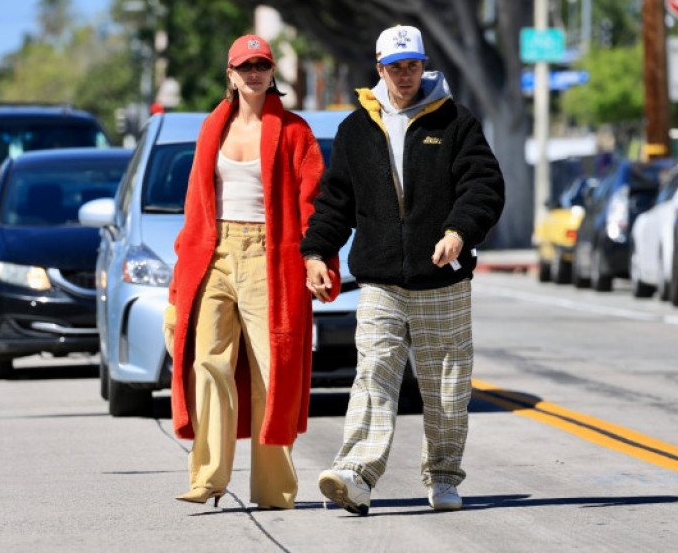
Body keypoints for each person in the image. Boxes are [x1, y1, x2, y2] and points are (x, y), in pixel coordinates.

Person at [301, 25, 505, 515]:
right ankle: (356, 474)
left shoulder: (456, 121)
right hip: (380, 281)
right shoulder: (355, 130)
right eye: (395, 67)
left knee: (447, 386)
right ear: (379, 69)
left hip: (444, 278)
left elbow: (483, 184)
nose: (405, 75)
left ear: (424, 64)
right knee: (373, 373)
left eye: (412, 65)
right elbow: (335, 201)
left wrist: (459, 230)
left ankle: (443, 476)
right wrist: (314, 254)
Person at [164, 34, 340, 509]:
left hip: (269, 256)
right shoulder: (212, 129)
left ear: (271, 72)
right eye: (246, 66)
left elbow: (315, 204)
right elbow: (194, 211)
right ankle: (208, 477)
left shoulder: (295, 132)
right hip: (216, 253)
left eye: (262, 64)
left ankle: (273, 488)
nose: (254, 72)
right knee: (208, 362)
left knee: (272, 370)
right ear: (231, 75)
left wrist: (316, 257)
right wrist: (180, 283)